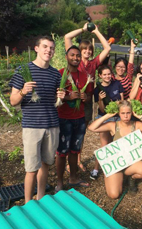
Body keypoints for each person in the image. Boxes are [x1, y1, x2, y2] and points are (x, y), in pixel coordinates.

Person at [9, 36, 65, 203]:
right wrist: (23, 92)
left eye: (51, 48)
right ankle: (28, 203)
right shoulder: (23, 70)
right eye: (45, 47)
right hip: (32, 127)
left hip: (52, 126)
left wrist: (60, 98)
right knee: (32, 169)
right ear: (36, 48)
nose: (49, 50)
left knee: (46, 164)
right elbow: (13, 101)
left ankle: (40, 197)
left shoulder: (55, 74)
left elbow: (57, 105)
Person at [64, 22, 111, 171]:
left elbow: (107, 48)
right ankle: (67, 161)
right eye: (84, 49)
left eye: (90, 50)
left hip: (87, 101)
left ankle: (77, 160)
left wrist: (96, 31)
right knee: (69, 130)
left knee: (81, 132)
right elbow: (67, 37)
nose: (87, 52)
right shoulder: (74, 60)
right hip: (72, 100)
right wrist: (83, 29)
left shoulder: (93, 64)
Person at [88, 100, 142, 199]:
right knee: (114, 195)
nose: (125, 116)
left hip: (131, 163)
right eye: (123, 113)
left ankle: (131, 177)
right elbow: (92, 128)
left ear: (132, 113)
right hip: (116, 164)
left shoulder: (136, 125)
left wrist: (140, 117)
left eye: (128, 113)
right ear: (119, 113)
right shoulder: (113, 125)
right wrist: (108, 115)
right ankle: (115, 176)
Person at [55, 45, 92, 192]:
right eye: (72, 55)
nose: (76, 58)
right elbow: (55, 97)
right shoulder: (60, 75)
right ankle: (59, 182)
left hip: (80, 118)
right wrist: (68, 97)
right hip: (64, 118)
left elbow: (89, 98)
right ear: (66, 57)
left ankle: (73, 178)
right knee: (62, 151)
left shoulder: (84, 75)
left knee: (75, 150)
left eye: (78, 55)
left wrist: (85, 97)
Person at [90, 65, 124, 180]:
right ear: (100, 76)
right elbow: (103, 110)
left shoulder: (117, 84)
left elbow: (122, 101)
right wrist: (100, 99)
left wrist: (118, 104)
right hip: (105, 117)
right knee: (104, 144)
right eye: (104, 74)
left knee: (117, 144)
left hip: (118, 117)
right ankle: (96, 169)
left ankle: (116, 168)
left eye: (109, 74)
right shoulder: (97, 90)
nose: (107, 76)